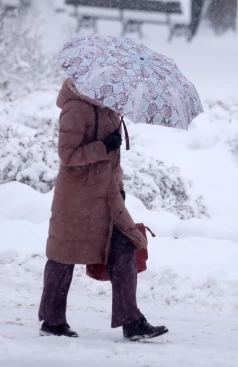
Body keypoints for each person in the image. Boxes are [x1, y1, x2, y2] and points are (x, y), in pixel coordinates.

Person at [38, 78, 168, 341]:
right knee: (64, 257)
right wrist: (103, 146)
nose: (114, 89)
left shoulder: (110, 110)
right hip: (77, 198)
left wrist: (118, 185)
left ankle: (131, 321)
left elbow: (113, 158)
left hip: (108, 197)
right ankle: (52, 321)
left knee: (126, 247)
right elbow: (68, 156)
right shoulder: (75, 109)